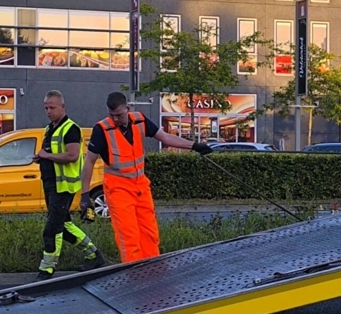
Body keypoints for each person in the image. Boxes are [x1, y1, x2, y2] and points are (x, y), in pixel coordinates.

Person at [79, 91, 212, 263]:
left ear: (127, 108)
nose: (116, 119)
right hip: (118, 189)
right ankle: (135, 277)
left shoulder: (140, 120)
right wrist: (84, 196)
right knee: (129, 237)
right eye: (112, 116)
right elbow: (88, 162)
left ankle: (153, 272)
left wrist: (194, 146)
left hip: (141, 186)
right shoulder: (102, 130)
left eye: (119, 115)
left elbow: (164, 137)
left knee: (150, 234)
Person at [33, 90, 106, 280]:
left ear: (62, 107)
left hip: (63, 187)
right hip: (52, 185)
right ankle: (94, 256)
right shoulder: (50, 128)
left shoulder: (71, 128)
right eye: (46, 108)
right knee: (64, 226)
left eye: (52, 107)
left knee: (52, 230)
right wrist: (41, 157)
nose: (48, 111)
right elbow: (51, 152)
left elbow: (72, 155)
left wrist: (47, 156)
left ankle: (47, 269)